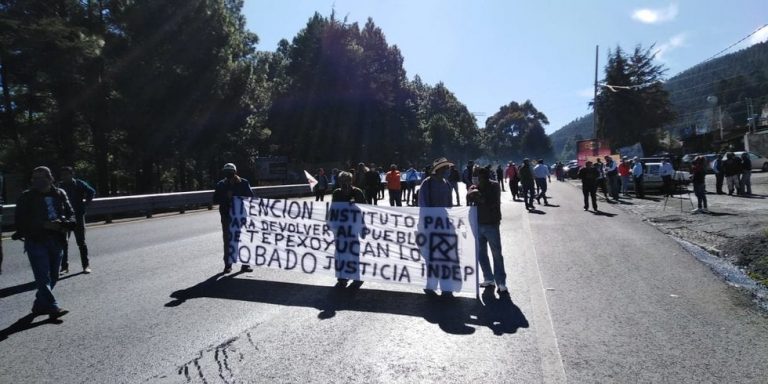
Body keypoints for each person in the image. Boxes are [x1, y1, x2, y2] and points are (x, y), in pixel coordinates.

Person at [14, 166, 76, 318]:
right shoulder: (26, 197)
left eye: (41, 178)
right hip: (36, 241)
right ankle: (53, 307)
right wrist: (43, 224)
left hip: (57, 240)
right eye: (35, 178)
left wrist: (63, 224)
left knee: (54, 276)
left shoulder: (60, 194)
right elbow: (20, 222)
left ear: (50, 179)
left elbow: (71, 215)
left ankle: (38, 305)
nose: (38, 181)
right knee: (43, 277)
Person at [467, 167, 508, 293]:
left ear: (484, 177)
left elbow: (490, 202)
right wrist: (471, 193)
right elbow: (469, 200)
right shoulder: (474, 187)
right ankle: (488, 278)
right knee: (481, 254)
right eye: (474, 177)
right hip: (478, 224)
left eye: (477, 177)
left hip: (491, 224)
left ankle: (501, 282)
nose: (475, 180)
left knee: (496, 254)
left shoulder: (494, 186)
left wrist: (477, 195)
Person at [213, 163, 254, 273]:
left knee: (243, 239)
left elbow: (250, 197)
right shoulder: (221, 184)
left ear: (235, 172)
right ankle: (228, 265)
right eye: (226, 172)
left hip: (240, 217)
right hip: (227, 216)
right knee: (228, 241)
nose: (229, 174)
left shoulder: (243, 183)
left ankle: (245, 264)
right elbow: (215, 199)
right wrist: (226, 197)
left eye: (230, 172)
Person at [331, 171, 366, 287]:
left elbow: (365, 209)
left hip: (354, 228)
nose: (343, 183)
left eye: (346, 181)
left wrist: (363, 227)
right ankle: (341, 276)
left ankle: (355, 275)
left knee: (353, 252)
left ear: (351, 181)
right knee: (340, 252)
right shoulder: (336, 193)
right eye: (341, 181)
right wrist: (332, 225)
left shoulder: (357, 192)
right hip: (341, 228)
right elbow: (333, 210)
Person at [58, 166, 95, 274]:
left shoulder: (79, 184)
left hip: (78, 216)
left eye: (66, 174)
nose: (64, 176)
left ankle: (86, 265)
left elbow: (91, 192)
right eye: (63, 174)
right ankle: (64, 267)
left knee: (81, 242)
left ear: (72, 174)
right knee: (63, 242)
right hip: (65, 218)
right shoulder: (60, 186)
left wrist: (85, 204)